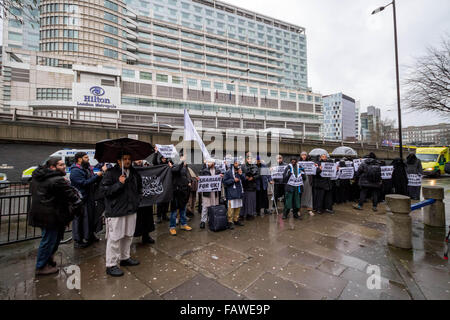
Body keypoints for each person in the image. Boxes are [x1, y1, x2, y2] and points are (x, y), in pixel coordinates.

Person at [30, 157, 82, 275]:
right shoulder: (57, 180)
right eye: (61, 165)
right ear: (52, 167)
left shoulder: (38, 178)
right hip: (51, 216)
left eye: (64, 164)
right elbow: (71, 197)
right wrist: (77, 207)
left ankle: (48, 261)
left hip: (44, 215)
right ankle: (41, 266)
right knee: (49, 241)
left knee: (50, 240)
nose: (64, 166)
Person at [102, 153, 142, 277]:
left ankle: (125, 257)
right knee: (115, 238)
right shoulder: (111, 173)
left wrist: (137, 200)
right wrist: (119, 183)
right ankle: (111, 264)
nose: (128, 161)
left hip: (130, 210)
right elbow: (104, 191)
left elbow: (139, 188)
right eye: (124, 159)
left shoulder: (134, 173)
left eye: (129, 159)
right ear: (118, 161)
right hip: (116, 211)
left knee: (128, 235)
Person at [70, 152, 106, 248]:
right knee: (79, 220)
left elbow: (92, 181)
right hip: (81, 199)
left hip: (89, 198)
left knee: (90, 218)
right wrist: (97, 176)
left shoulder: (86, 168)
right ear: (79, 159)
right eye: (86, 157)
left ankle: (89, 235)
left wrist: (100, 175)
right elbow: (84, 183)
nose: (88, 159)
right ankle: (78, 240)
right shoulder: (75, 171)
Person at [132, 160, 156, 245]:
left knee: (147, 219)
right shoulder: (131, 169)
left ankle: (146, 236)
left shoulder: (146, 167)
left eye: (140, 159)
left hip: (147, 199)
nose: (138, 161)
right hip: (137, 200)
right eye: (137, 159)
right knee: (137, 220)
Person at [169, 155, 193, 236]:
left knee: (183, 209)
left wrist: (189, 182)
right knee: (174, 211)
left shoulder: (183, 167)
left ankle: (183, 224)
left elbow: (187, 175)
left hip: (183, 191)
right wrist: (181, 161)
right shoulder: (173, 167)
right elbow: (177, 169)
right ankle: (172, 227)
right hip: (175, 192)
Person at [198, 159, 224, 229]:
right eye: (208, 162)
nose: (208, 163)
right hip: (207, 192)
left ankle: (212, 220)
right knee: (205, 206)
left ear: (213, 163)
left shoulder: (218, 171)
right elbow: (200, 177)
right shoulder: (204, 170)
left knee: (214, 206)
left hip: (215, 192)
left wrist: (221, 177)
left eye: (210, 162)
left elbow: (221, 182)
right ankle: (203, 221)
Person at [223, 158, 246, 229]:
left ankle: (236, 219)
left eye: (238, 163)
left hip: (239, 191)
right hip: (231, 192)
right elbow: (225, 182)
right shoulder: (228, 172)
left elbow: (244, 180)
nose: (237, 164)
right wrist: (233, 180)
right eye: (236, 163)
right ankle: (230, 221)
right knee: (231, 208)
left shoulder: (239, 171)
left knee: (238, 207)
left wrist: (241, 174)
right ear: (233, 164)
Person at [241, 153, 260, 221]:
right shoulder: (242, 166)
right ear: (246, 159)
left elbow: (258, 174)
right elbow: (240, 173)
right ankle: (242, 214)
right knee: (243, 201)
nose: (250, 160)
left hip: (252, 186)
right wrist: (245, 177)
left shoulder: (255, 166)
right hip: (244, 186)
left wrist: (253, 177)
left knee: (251, 201)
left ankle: (250, 214)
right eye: (249, 159)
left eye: (251, 159)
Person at [299, 152, 314, 216]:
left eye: (305, 155)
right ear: (300, 156)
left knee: (309, 195)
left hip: (308, 180)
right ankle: (298, 210)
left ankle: (309, 209)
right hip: (300, 180)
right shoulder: (298, 162)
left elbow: (314, 171)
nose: (304, 156)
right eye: (302, 155)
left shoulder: (310, 163)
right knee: (300, 195)